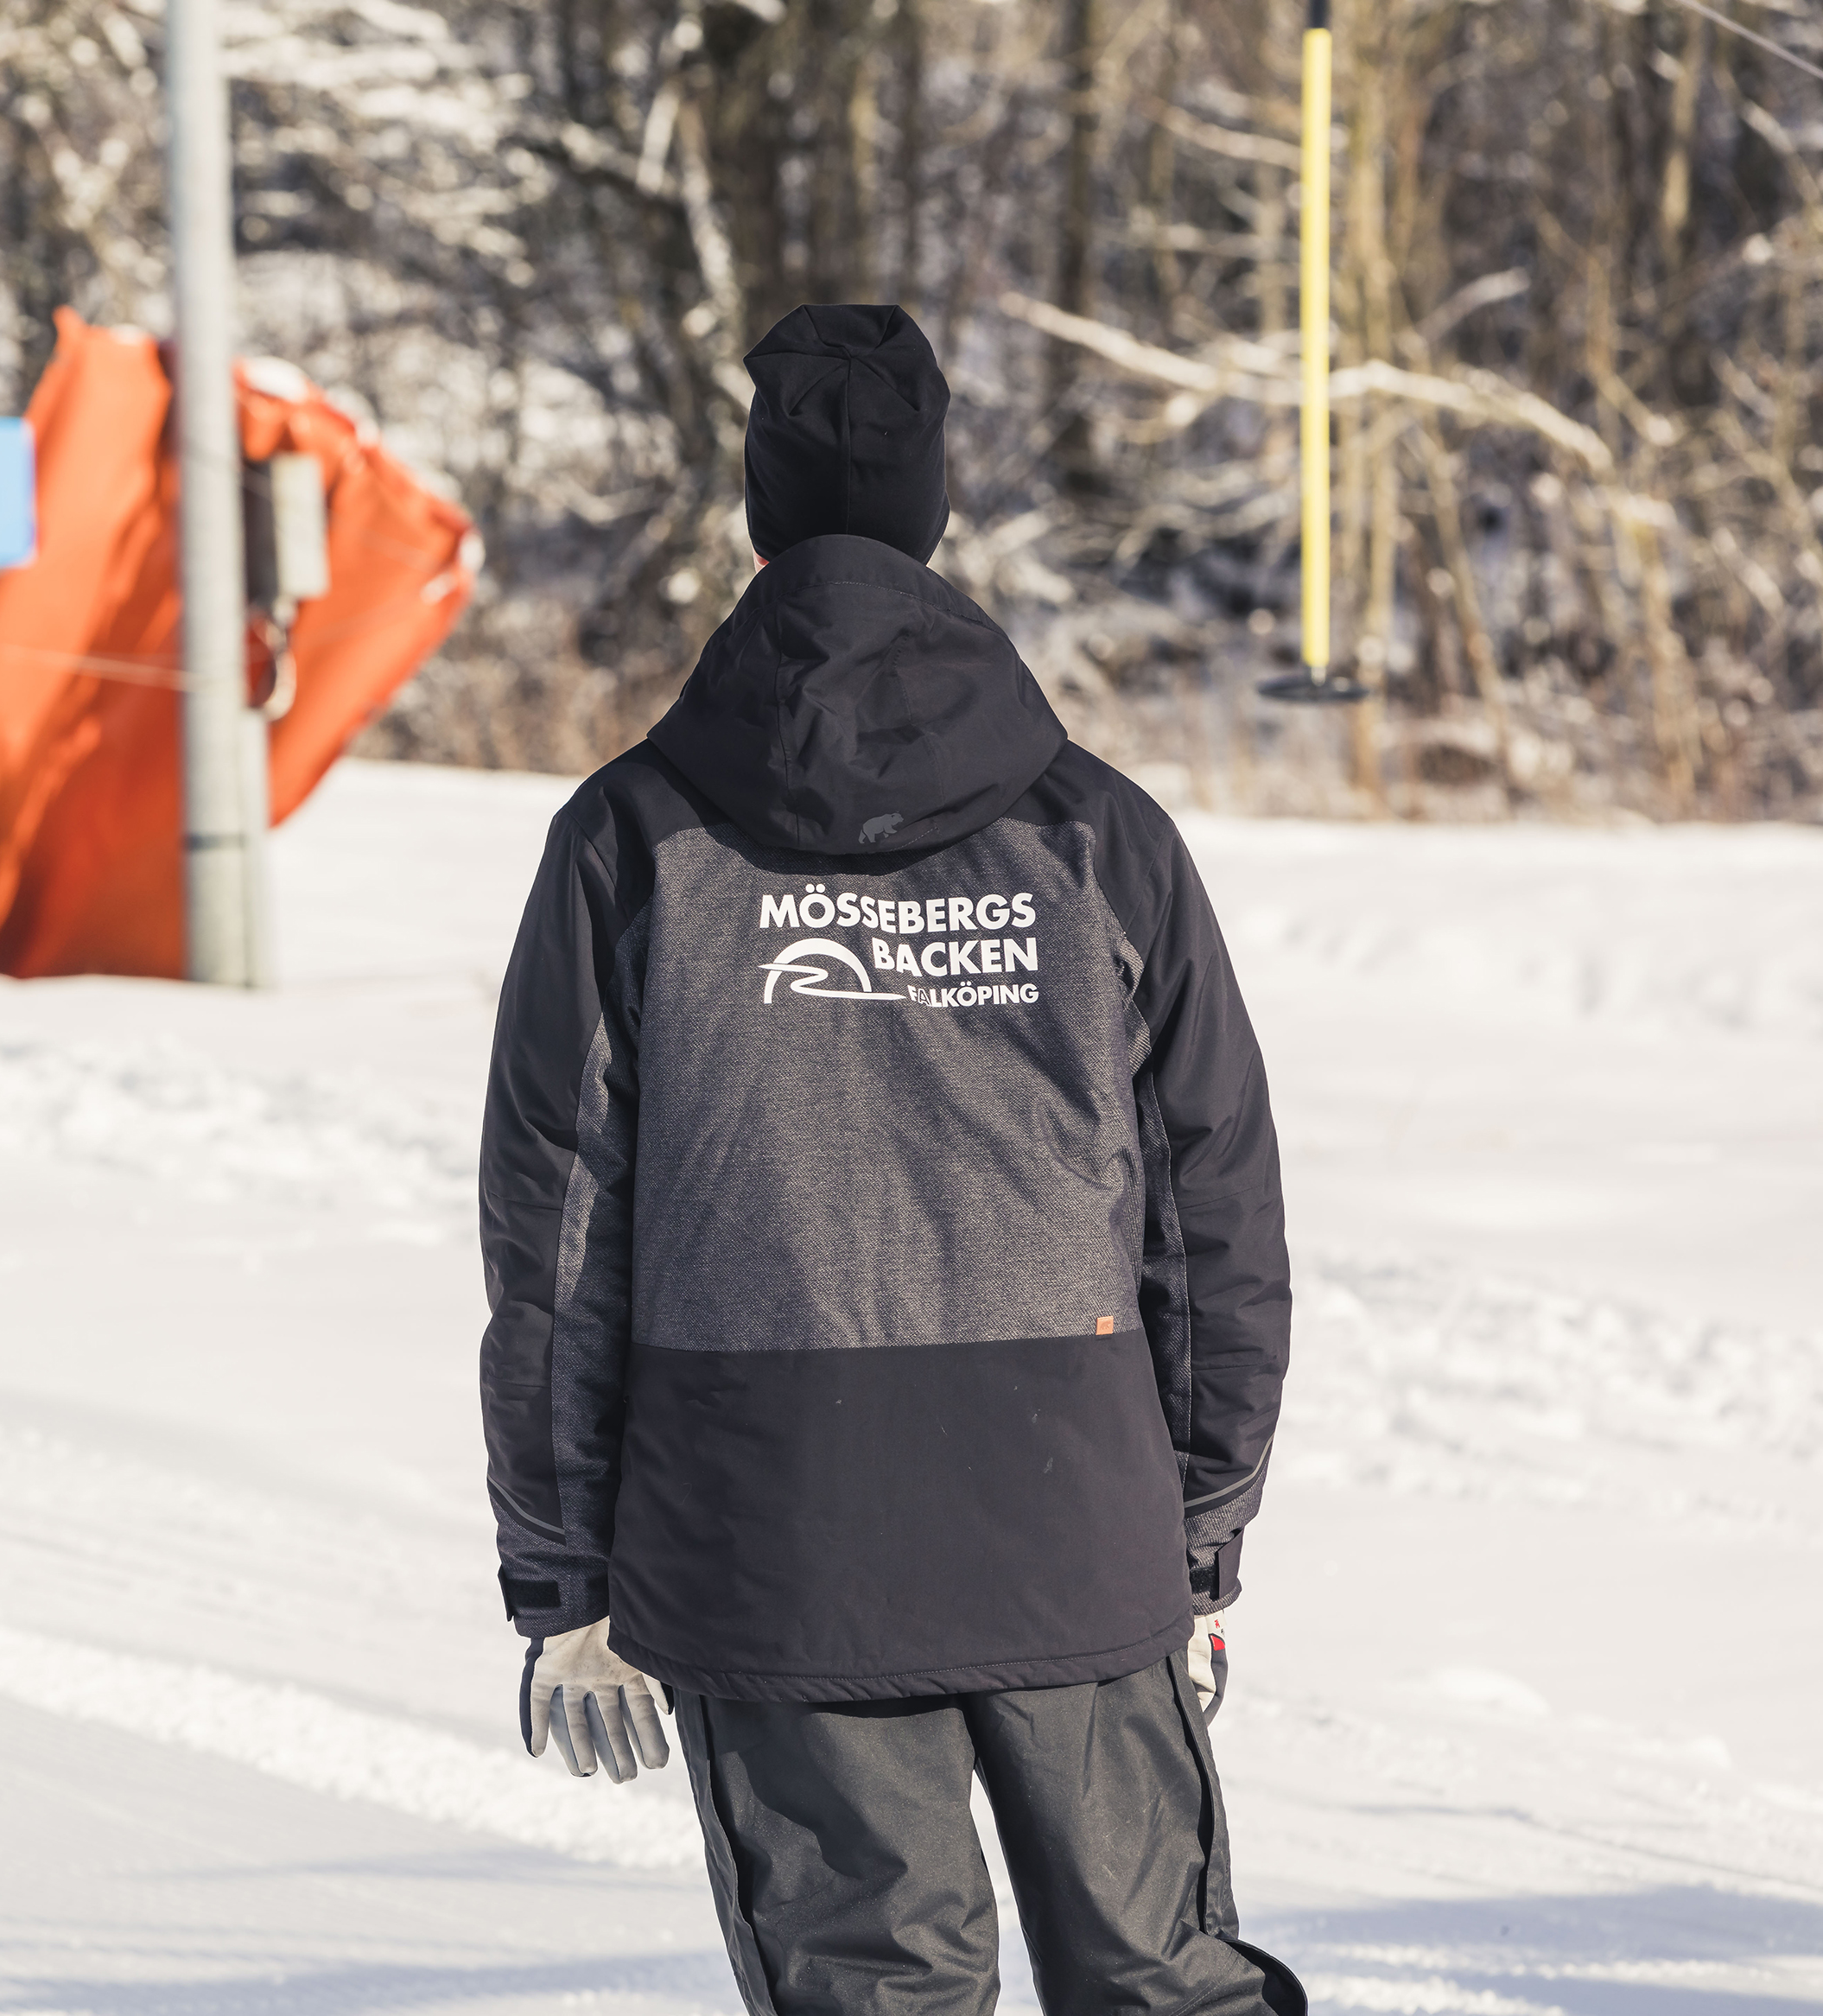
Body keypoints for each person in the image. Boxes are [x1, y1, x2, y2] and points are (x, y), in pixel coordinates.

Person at [477, 306, 1302, 2016]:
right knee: (1162, 1983)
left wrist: (564, 1573)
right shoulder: (1096, 832)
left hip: (769, 1529)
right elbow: (1213, 1204)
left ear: (757, 511)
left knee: (875, 1989)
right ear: (936, 508)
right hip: (1075, 1508)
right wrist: (1194, 1529)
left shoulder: (632, 836)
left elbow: (558, 1231)